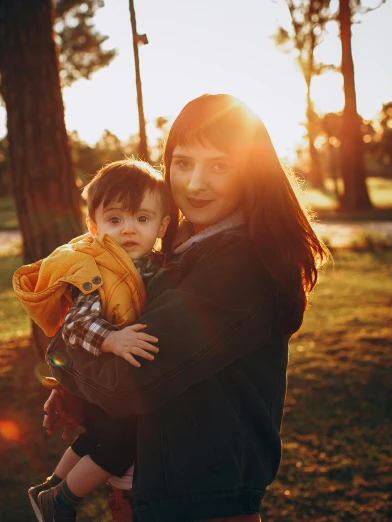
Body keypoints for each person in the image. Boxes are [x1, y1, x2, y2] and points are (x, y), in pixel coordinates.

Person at [43, 94, 329, 522]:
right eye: (182, 162)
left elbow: (126, 383)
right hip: (156, 490)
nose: (196, 183)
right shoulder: (178, 250)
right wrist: (75, 392)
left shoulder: (238, 264)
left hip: (203, 502)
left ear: (250, 171)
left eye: (219, 165)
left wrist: (68, 365)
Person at [12, 159, 176, 521]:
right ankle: (62, 500)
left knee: (97, 437)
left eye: (142, 219)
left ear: (163, 224)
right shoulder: (99, 270)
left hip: (107, 381)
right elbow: (75, 325)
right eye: (115, 220)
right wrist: (113, 340)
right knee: (121, 446)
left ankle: (49, 485)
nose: (128, 230)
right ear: (94, 226)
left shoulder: (151, 264)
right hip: (107, 373)